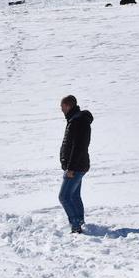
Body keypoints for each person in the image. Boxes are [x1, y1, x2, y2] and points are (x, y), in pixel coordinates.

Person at [58, 95, 92, 234]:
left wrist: (70, 167)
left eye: (62, 107)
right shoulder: (76, 120)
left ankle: (76, 226)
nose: (61, 110)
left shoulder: (77, 121)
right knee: (74, 196)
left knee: (64, 196)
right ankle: (80, 222)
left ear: (68, 105)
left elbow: (78, 147)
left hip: (76, 167)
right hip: (79, 165)